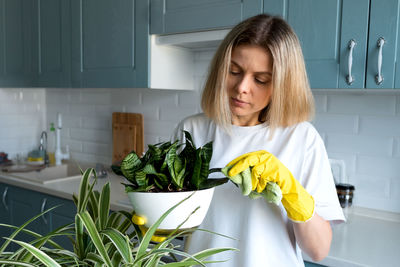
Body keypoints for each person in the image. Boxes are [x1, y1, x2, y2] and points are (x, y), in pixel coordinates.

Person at [171, 14, 345, 266]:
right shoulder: (193, 130)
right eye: (233, 71)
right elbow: (175, 225)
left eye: (260, 79)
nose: (242, 86)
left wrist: (292, 193)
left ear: (283, 85)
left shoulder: (301, 138)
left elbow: (318, 251)